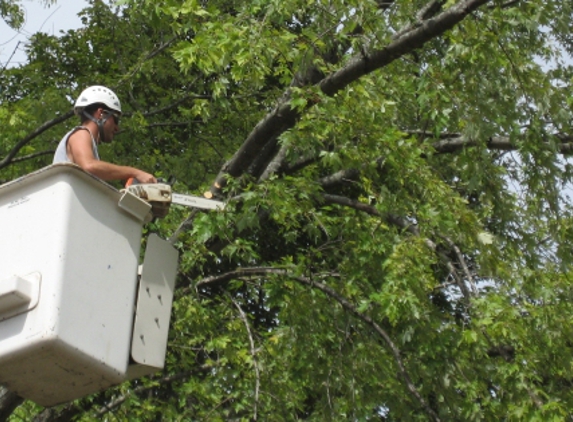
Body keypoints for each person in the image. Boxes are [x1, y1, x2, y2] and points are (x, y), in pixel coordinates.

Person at [53, 85, 156, 183]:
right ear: (100, 114)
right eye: (115, 120)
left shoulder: (89, 144)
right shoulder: (81, 134)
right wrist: (135, 172)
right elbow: (89, 166)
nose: (117, 128)